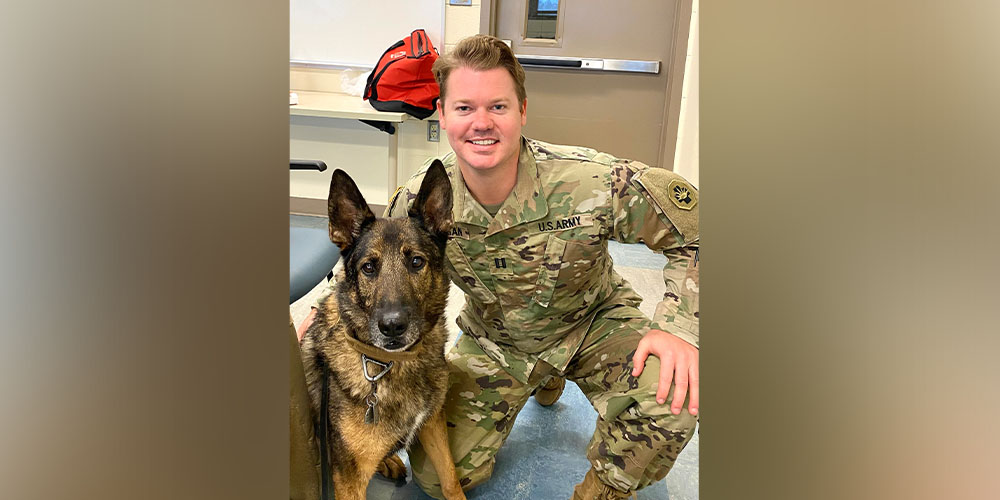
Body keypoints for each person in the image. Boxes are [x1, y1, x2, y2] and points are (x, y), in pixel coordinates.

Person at [299, 34, 699, 500]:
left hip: (593, 327)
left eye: (499, 107)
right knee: (437, 477)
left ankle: (601, 490)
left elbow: (700, 232)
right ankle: (538, 378)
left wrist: (678, 327)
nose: (481, 123)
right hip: (499, 343)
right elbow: (367, 252)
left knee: (676, 395)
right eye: (465, 108)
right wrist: (331, 304)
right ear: (443, 115)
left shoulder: (595, 180)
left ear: (523, 111)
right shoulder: (418, 199)